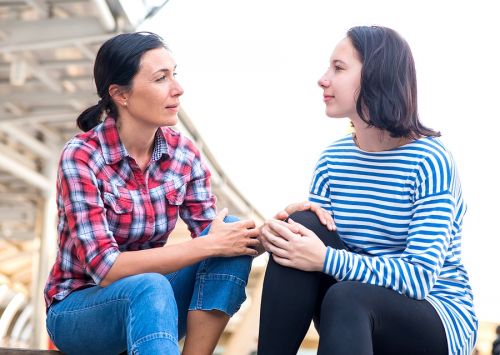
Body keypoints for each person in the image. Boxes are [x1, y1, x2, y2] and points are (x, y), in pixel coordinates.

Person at [257, 26, 478, 355]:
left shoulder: (430, 160)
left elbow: (418, 278)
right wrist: (280, 235)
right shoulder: (333, 160)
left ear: (377, 75)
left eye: (339, 68)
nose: (323, 79)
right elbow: (314, 250)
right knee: (300, 225)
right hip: (349, 303)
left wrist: (325, 258)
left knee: (346, 295)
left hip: (435, 314)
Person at [43, 31, 261, 355]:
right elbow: (106, 268)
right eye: (161, 78)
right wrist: (209, 243)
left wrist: (282, 225)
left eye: (175, 74)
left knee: (235, 232)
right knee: (152, 284)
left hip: (152, 307)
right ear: (121, 95)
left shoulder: (184, 154)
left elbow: (214, 236)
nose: (178, 88)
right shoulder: (83, 156)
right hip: (78, 312)